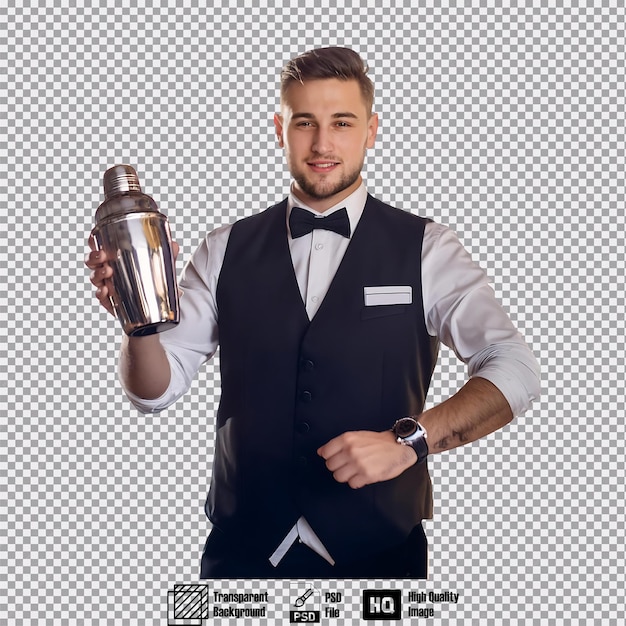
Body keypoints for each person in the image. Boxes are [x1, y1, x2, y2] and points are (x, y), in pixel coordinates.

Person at [86, 47, 540, 579]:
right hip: (240, 558)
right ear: (280, 129)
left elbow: (514, 368)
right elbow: (155, 392)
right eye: (305, 123)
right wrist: (136, 320)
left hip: (380, 561)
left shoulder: (427, 248)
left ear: (370, 130)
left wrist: (409, 442)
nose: (323, 144)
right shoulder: (223, 248)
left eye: (341, 123)